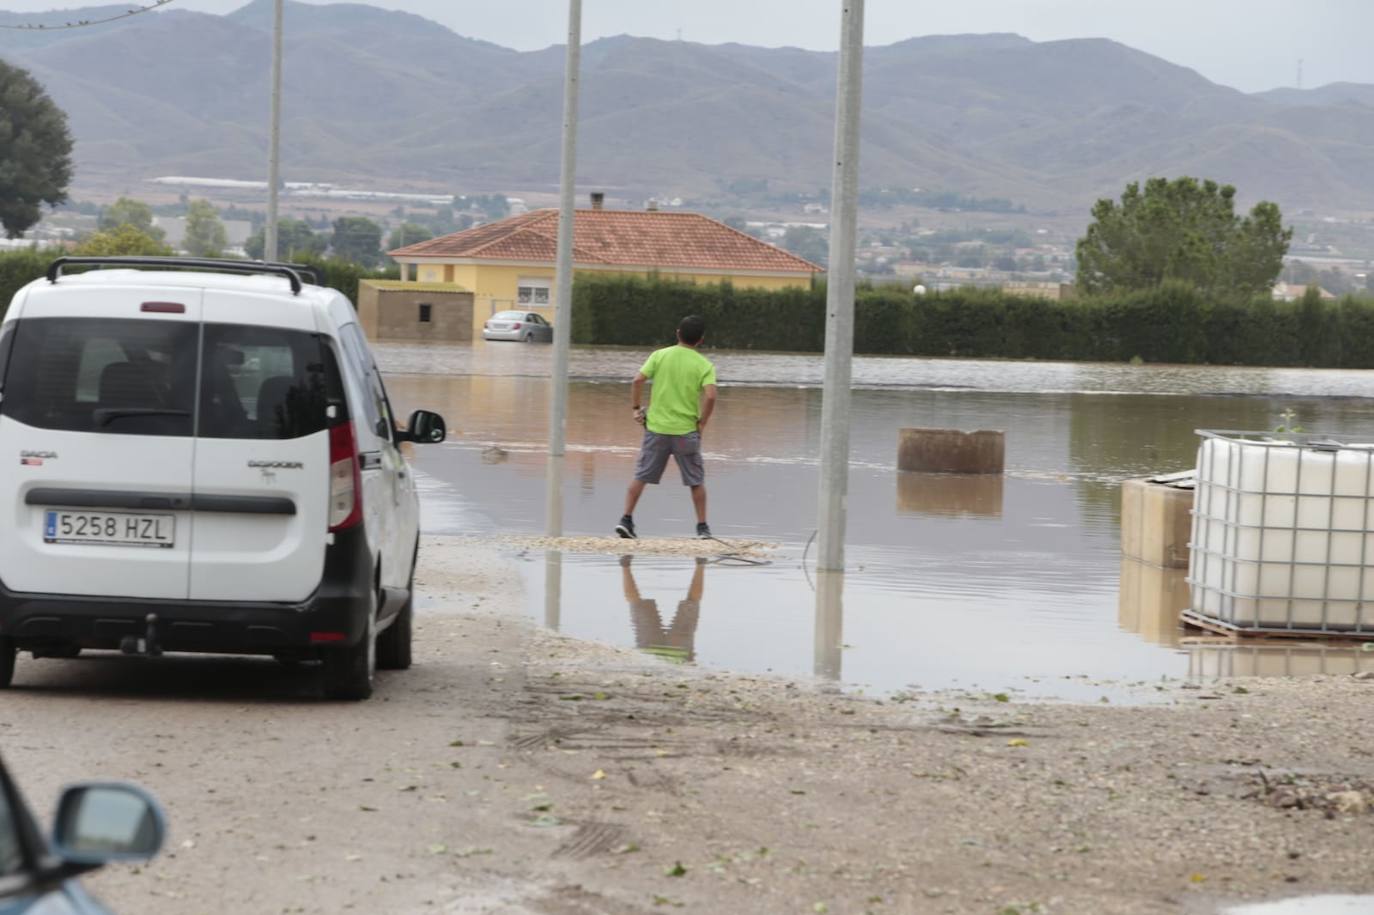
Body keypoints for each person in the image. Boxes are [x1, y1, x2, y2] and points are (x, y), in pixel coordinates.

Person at [616, 314, 717, 540]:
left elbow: (637, 380)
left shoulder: (659, 355)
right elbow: (711, 396)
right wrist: (702, 423)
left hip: (657, 429)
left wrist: (636, 408)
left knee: (641, 475)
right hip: (686, 431)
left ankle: (626, 520)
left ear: (677, 333)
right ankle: (702, 528)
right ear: (701, 340)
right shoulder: (704, 364)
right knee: (696, 480)